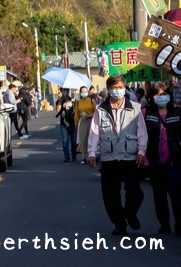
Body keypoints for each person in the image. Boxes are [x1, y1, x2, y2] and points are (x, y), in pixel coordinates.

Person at [87, 74, 148, 236]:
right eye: (114, 88)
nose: (117, 91)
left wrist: (142, 150)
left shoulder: (135, 108)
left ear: (125, 88)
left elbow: (142, 131)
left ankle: (130, 213)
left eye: (120, 87)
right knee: (110, 194)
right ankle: (119, 223)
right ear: (108, 89)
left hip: (130, 156)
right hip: (109, 156)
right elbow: (94, 132)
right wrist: (92, 152)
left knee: (135, 191)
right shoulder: (101, 110)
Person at [142, 83, 181, 235]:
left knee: (177, 194)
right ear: (151, 97)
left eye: (164, 93)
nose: (161, 96)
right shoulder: (146, 113)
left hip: (175, 161)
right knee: (159, 195)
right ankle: (164, 223)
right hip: (155, 162)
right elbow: (142, 136)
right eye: (157, 94)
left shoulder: (177, 112)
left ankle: (179, 223)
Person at [75, 87, 96, 164]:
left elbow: (96, 113)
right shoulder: (78, 102)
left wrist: (88, 115)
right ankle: (83, 157)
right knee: (83, 139)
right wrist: (76, 123)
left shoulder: (92, 101)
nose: (84, 93)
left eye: (85, 91)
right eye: (82, 91)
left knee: (91, 138)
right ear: (80, 93)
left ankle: (92, 155)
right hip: (82, 121)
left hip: (91, 120)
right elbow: (77, 114)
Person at [55, 93, 76, 162]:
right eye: (63, 90)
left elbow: (76, 110)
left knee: (73, 141)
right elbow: (58, 110)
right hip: (63, 123)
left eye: (66, 90)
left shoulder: (73, 100)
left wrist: (71, 105)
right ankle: (67, 156)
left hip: (72, 123)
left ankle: (73, 155)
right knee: (65, 140)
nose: (65, 92)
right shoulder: (59, 100)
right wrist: (61, 101)